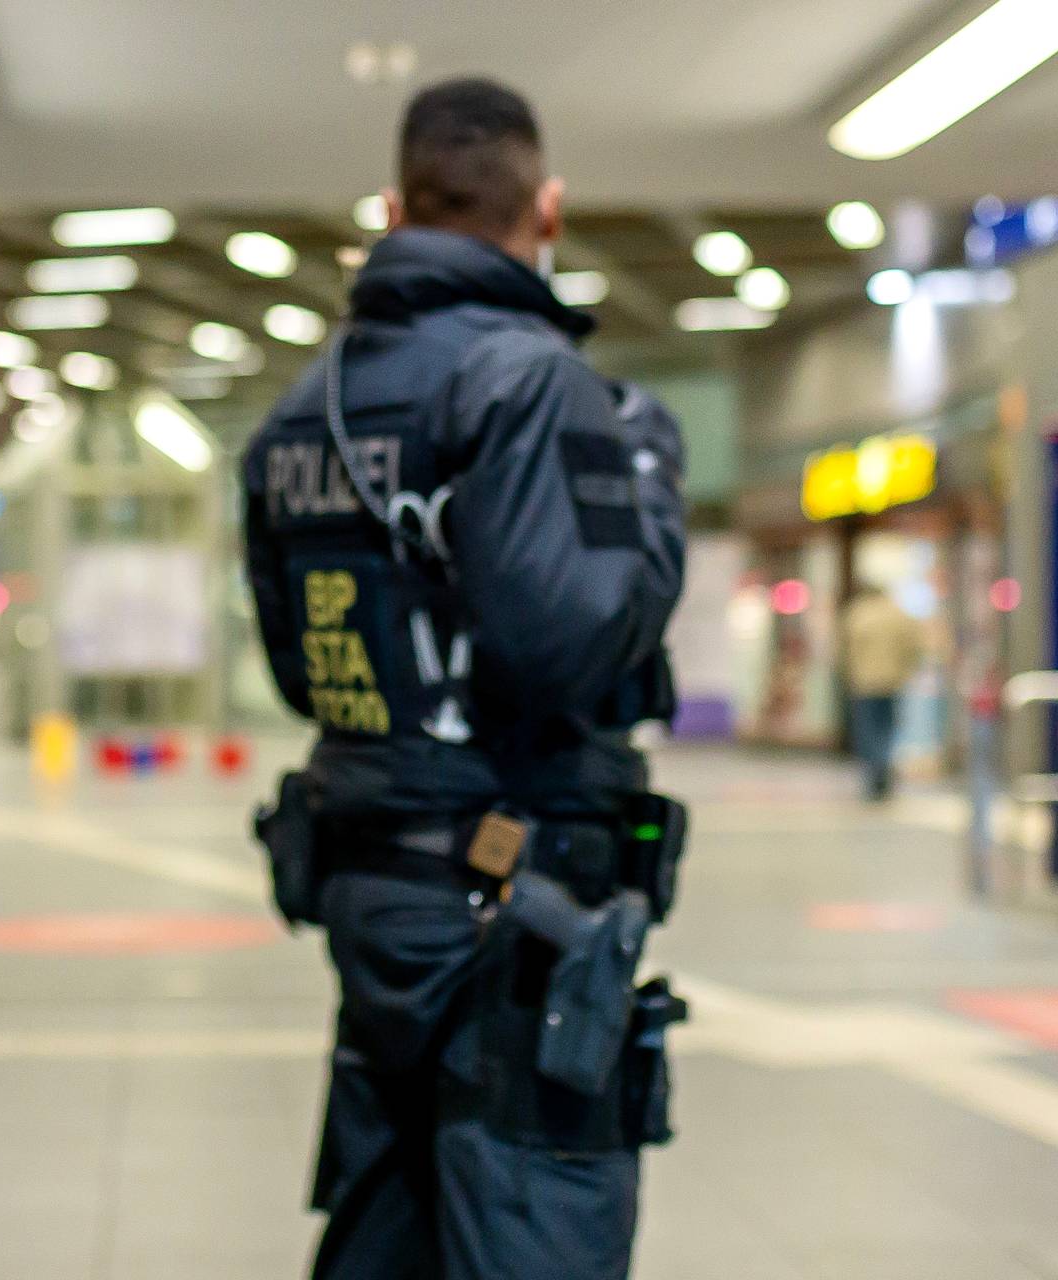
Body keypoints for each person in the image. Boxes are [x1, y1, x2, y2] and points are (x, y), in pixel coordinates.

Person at [242, 77, 686, 1280]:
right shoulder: (530, 380)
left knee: (392, 1231)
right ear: (549, 208)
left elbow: (302, 670)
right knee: (531, 1229)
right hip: (517, 903)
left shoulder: (300, 412)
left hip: (375, 894)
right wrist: (648, 485)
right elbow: (581, 646)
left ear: (395, 206)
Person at [839, 584, 927, 801]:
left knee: (868, 730)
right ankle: (883, 768)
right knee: (887, 728)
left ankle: (874, 772)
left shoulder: (858, 614)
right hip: (891, 681)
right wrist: (906, 670)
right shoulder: (898, 615)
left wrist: (848, 673)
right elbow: (914, 646)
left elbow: (845, 648)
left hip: (864, 682)